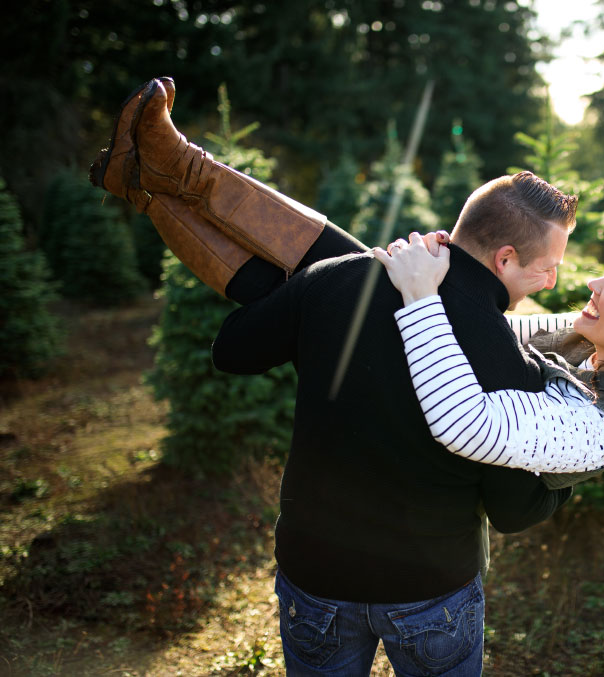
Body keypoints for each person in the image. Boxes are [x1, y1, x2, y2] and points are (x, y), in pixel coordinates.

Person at [90, 77, 576, 676]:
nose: (554, 280)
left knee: (330, 260)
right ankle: (156, 179)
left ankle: (159, 181)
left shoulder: (342, 277)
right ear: (505, 258)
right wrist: (572, 466)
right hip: (429, 591)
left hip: (315, 574)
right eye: (550, 266)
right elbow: (513, 511)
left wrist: (316, 303)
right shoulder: (505, 356)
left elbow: (233, 349)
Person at [374, 232, 604, 506]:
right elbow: (487, 330)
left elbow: (466, 424)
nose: (593, 285)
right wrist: (449, 261)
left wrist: (420, 295)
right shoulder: (589, 338)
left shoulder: (597, 429)